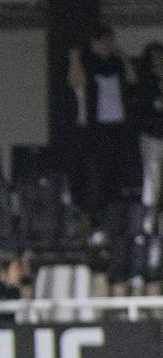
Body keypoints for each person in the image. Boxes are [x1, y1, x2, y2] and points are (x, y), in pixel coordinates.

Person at [67, 25, 136, 227]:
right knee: (95, 174)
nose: (107, 46)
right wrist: (75, 58)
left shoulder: (115, 65)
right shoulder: (87, 63)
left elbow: (132, 81)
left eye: (109, 42)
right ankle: (94, 218)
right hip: (93, 129)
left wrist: (123, 57)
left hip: (115, 127)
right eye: (102, 42)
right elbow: (75, 82)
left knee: (114, 174)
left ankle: (112, 216)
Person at [134, 42, 163, 228]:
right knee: (152, 175)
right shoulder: (145, 81)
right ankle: (149, 217)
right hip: (152, 134)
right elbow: (142, 108)